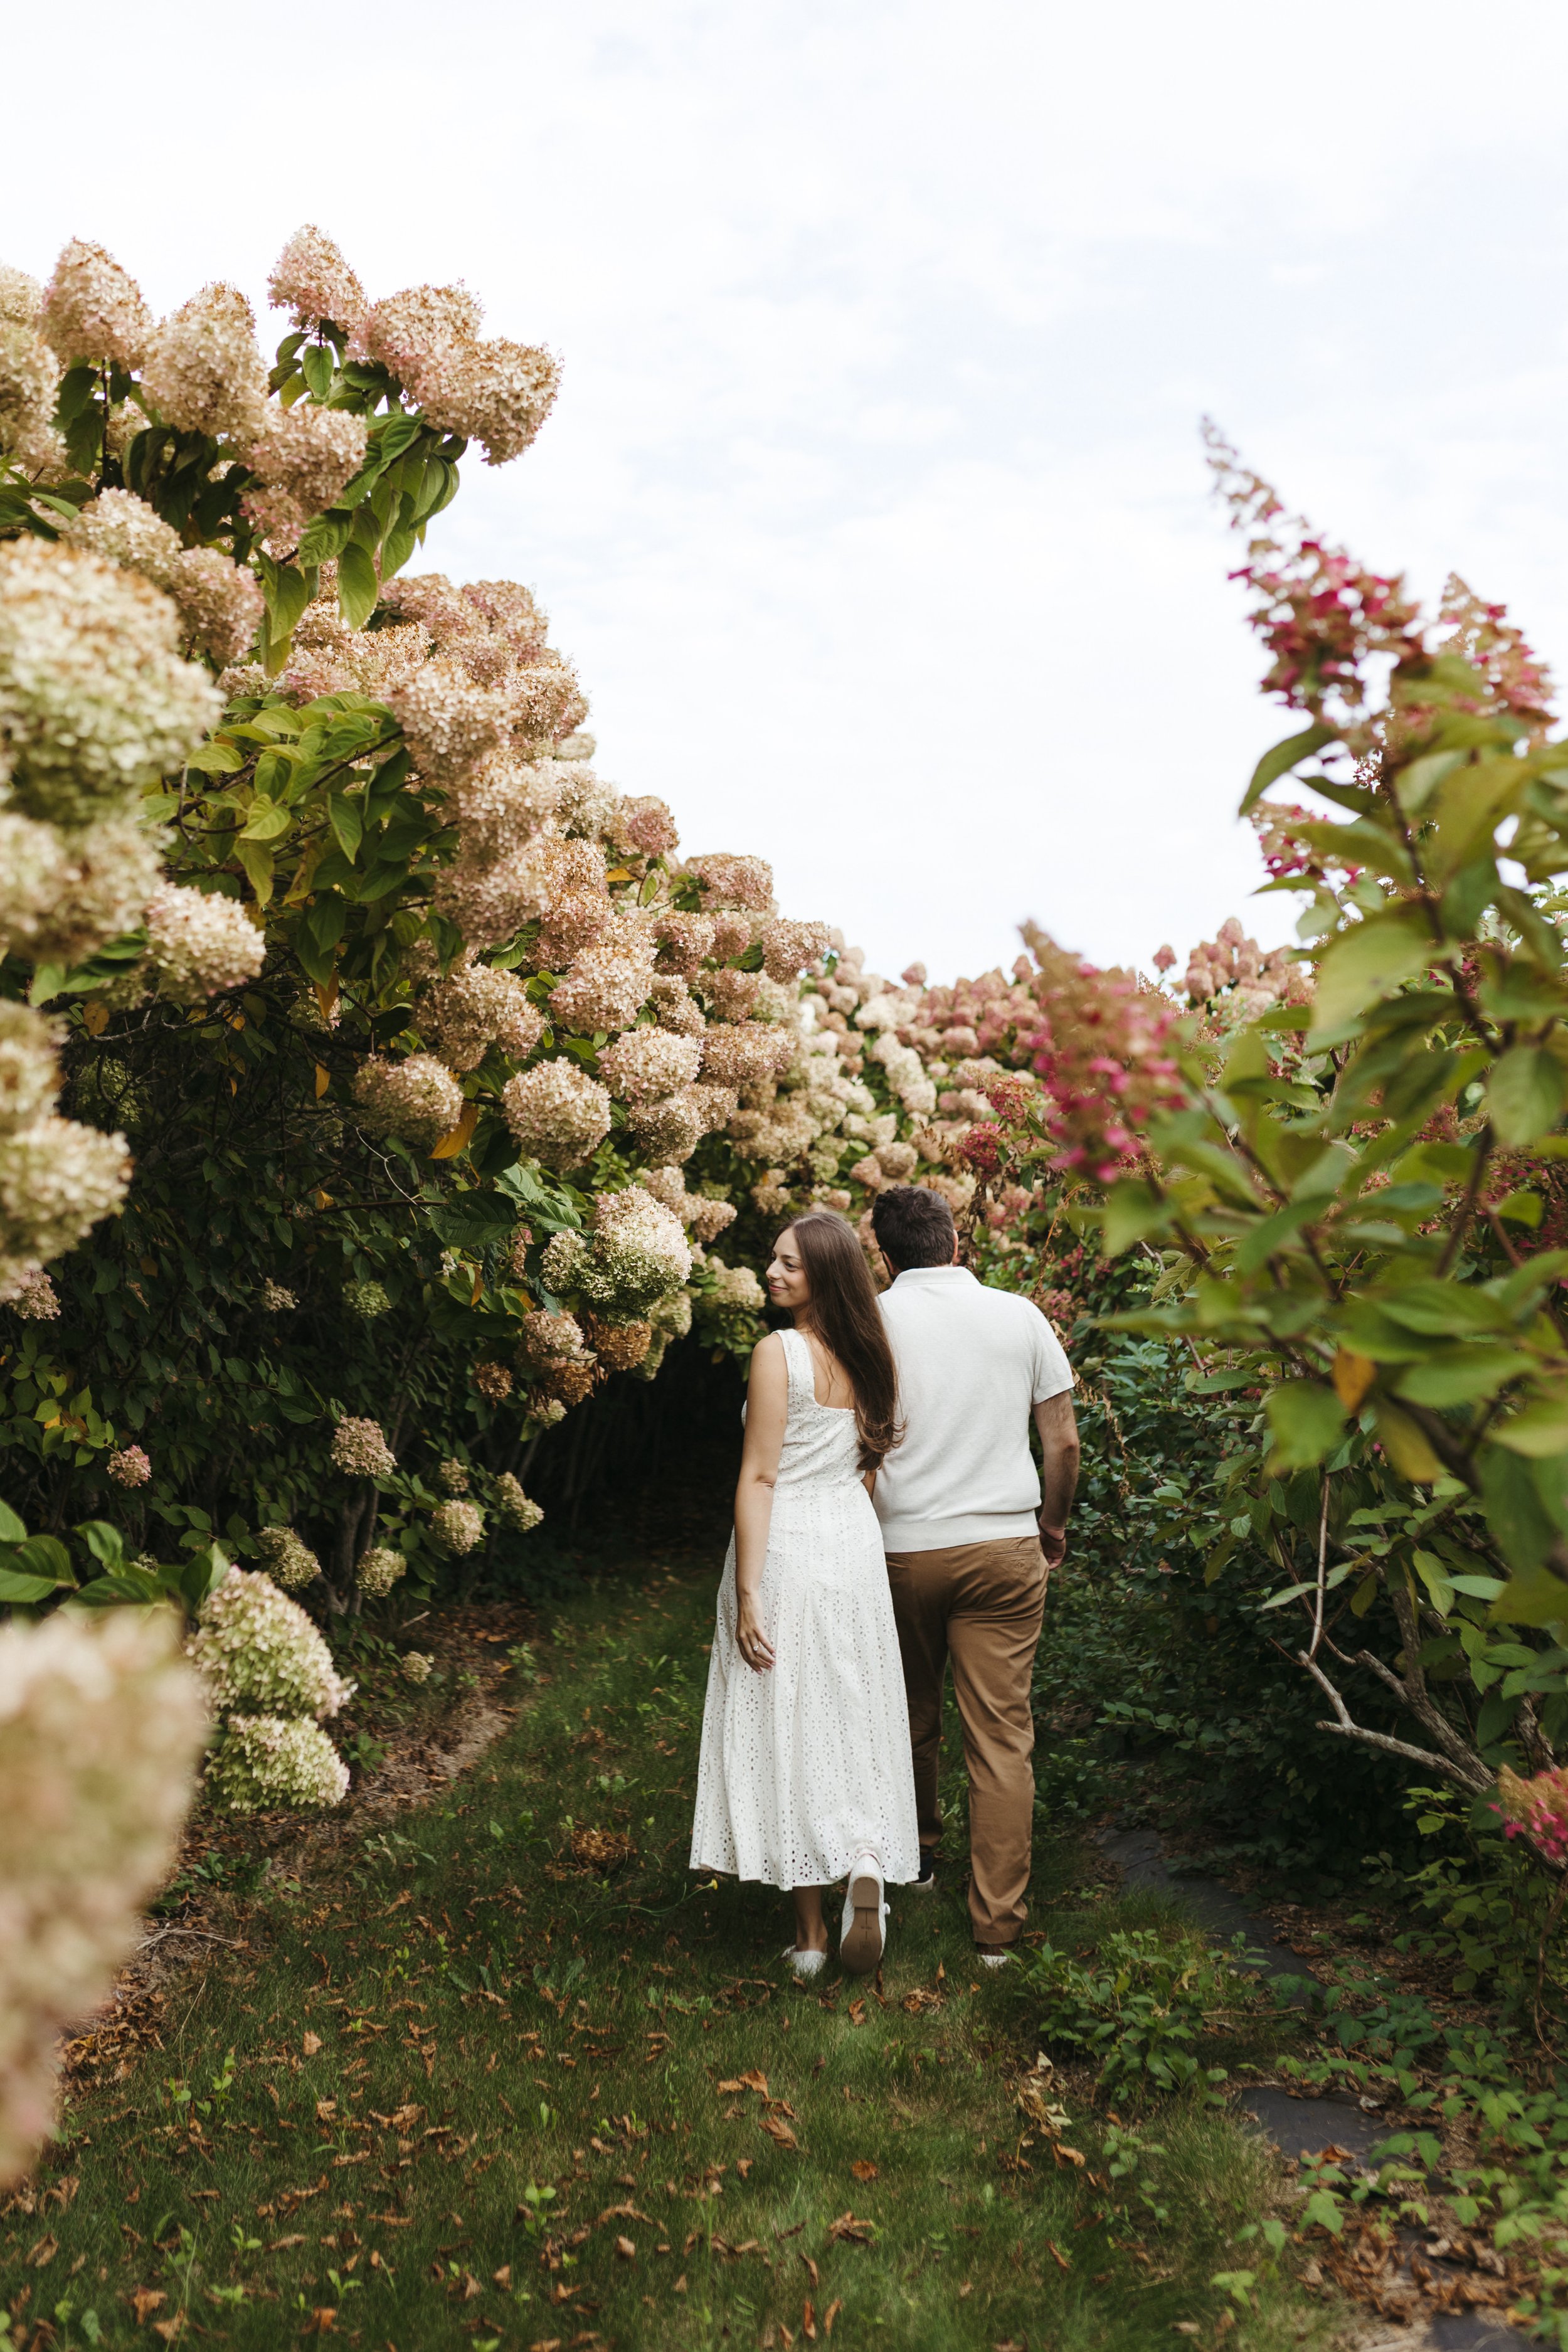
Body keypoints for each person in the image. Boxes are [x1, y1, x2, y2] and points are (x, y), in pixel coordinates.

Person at [689, 1209, 919, 1977]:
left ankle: (813, 1936)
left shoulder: (777, 1352)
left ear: (825, 1274)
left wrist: (749, 1591)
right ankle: (863, 1855)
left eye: (789, 1264)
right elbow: (867, 1468)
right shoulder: (871, 1356)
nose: (772, 1272)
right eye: (773, 1260)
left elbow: (759, 1477)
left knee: (790, 1722)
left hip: (786, 1544)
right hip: (851, 1544)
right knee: (851, 1714)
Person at [869, 1184, 1079, 1966]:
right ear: (956, 1243)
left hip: (900, 1550)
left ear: (885, 1259)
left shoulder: (869, 1322)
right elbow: (1062, 1443)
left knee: (909, 1713)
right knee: (1000, 1737)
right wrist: (1051, 1523)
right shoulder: (1020, 1316)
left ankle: (916, 1858)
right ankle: (997, 1930)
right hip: (1003, 1546)